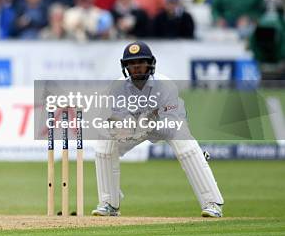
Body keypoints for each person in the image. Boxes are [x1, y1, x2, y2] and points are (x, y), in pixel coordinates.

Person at [91, 41, 224, 218]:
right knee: (104, 143)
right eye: (131, 64)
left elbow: (171, 123)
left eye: (140, 63)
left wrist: (146, 124)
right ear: (126, 66)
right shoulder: (117, 87)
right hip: (135, 128)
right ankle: (109, 203)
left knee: (186, 145)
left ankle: (212, 203)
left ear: (150, 64)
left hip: (166, 125)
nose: (136, 67)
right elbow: (116, 120)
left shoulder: (165, 85)